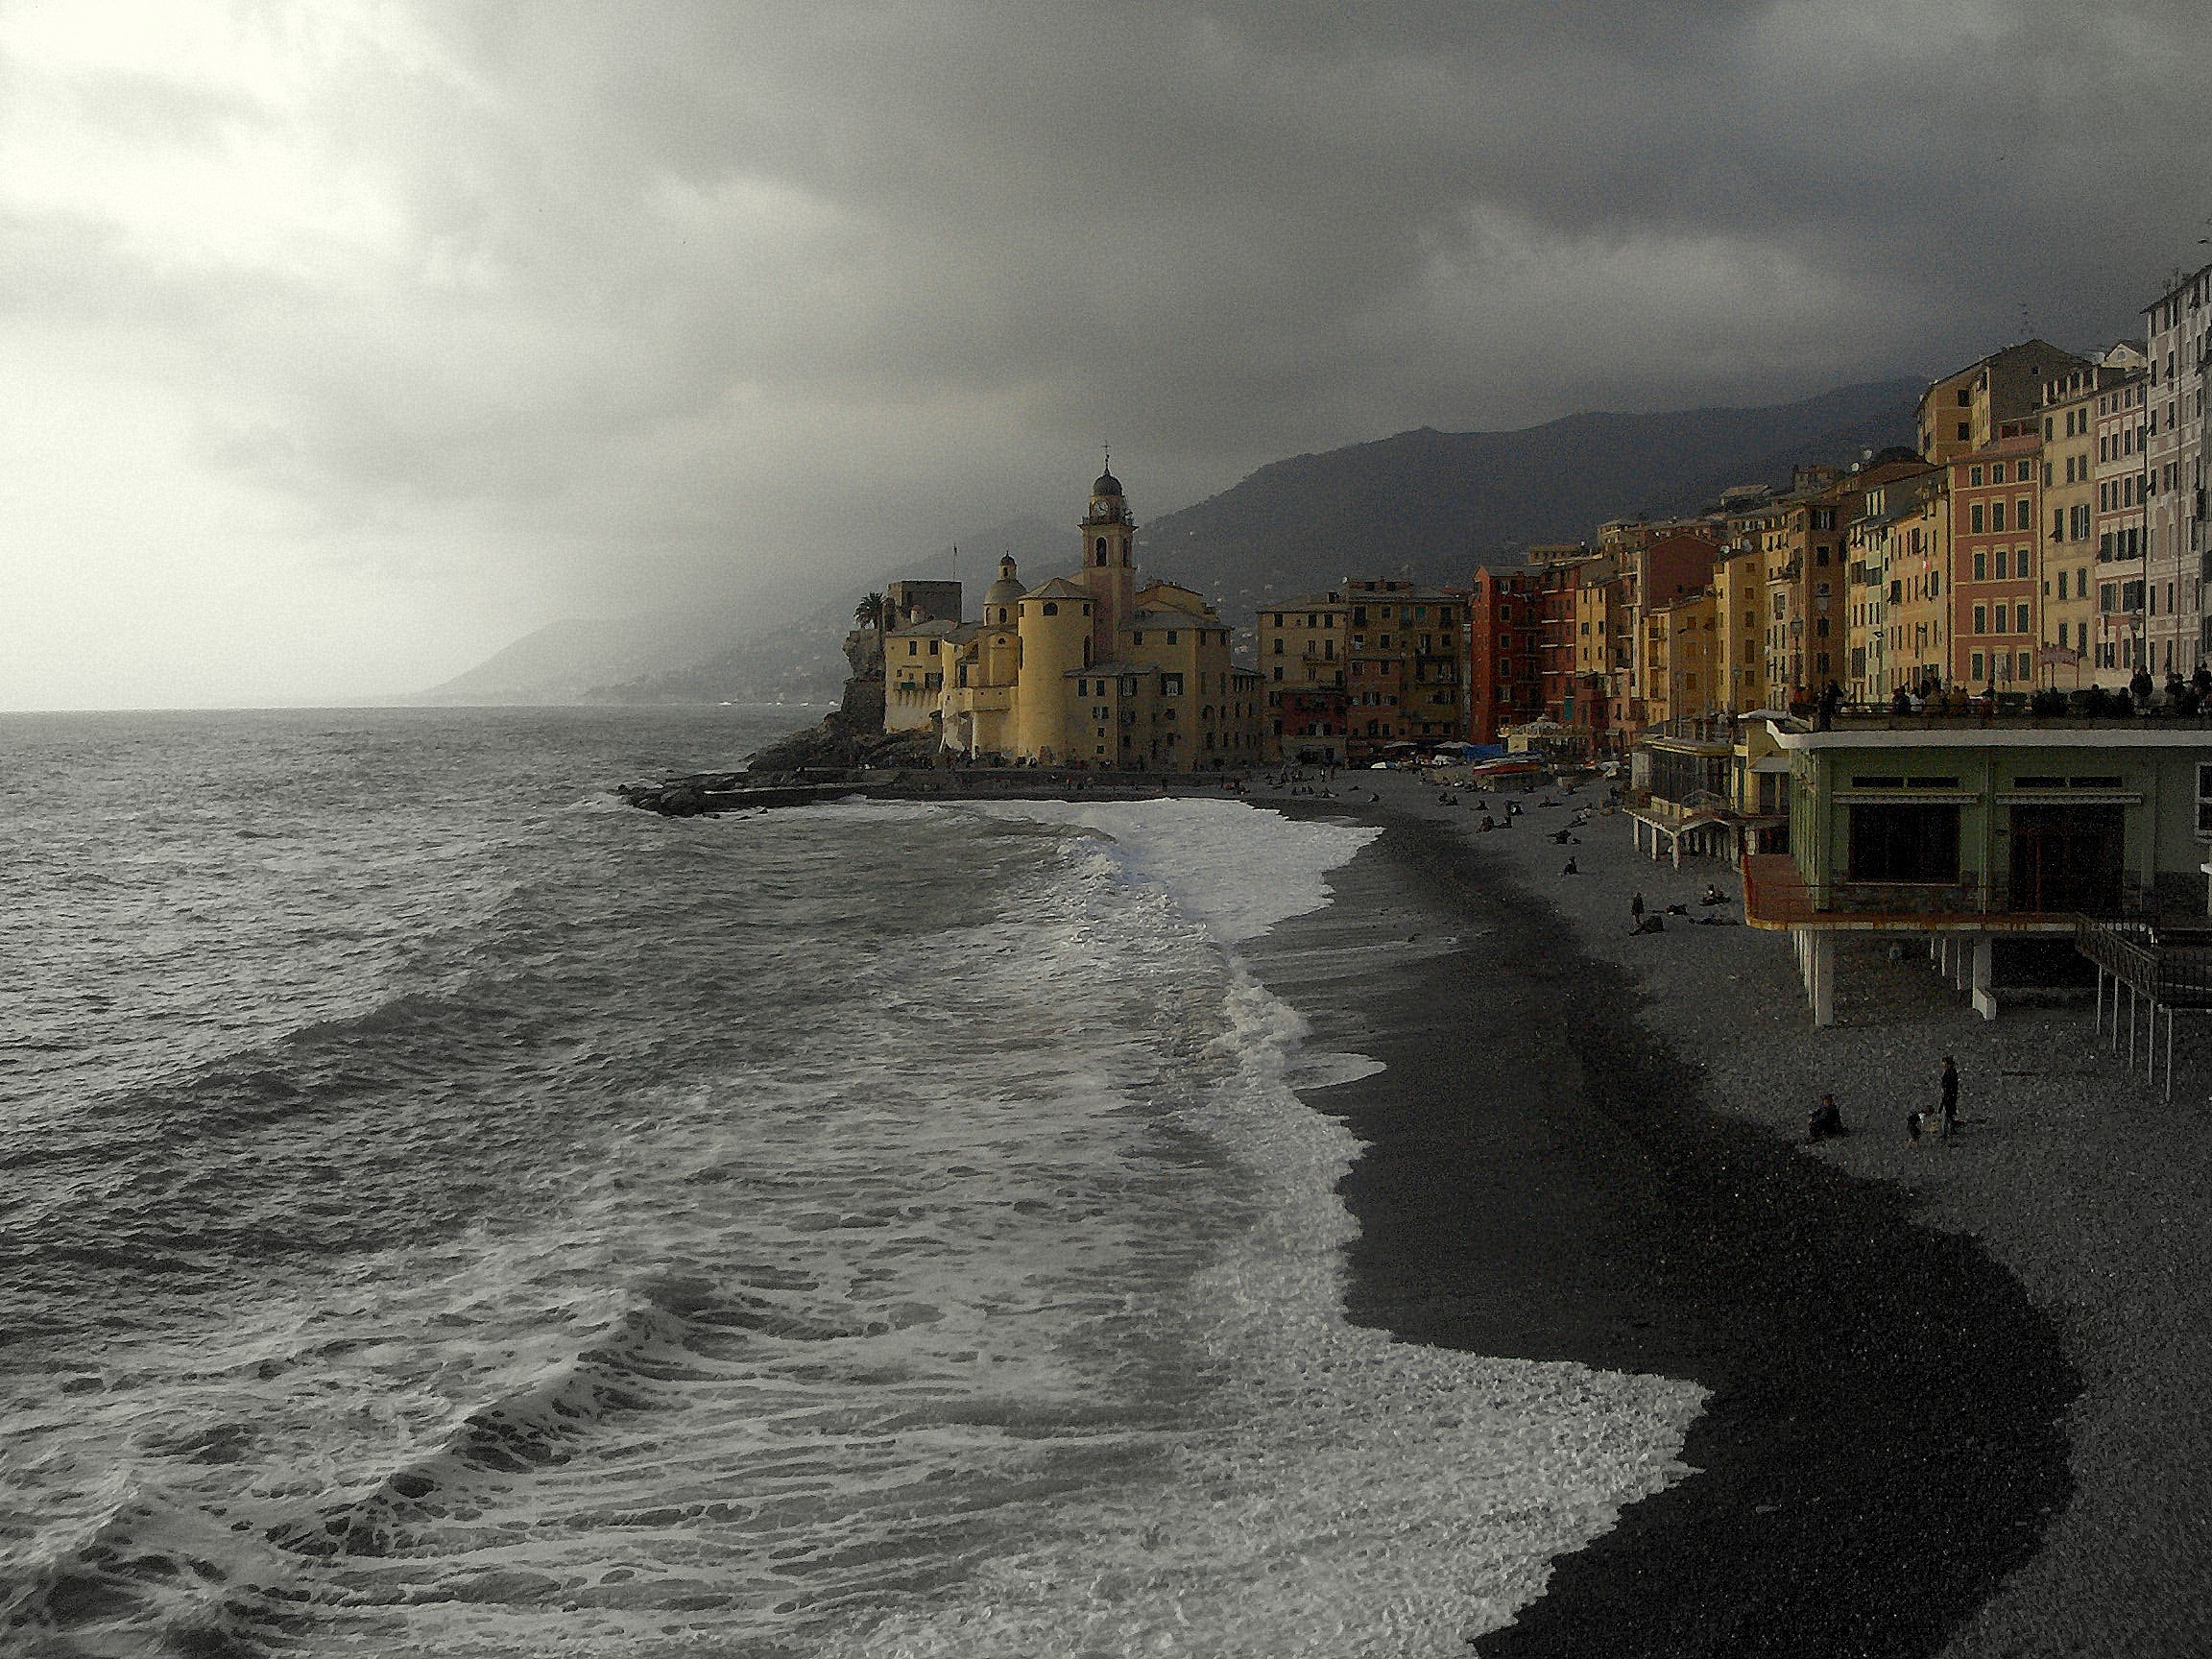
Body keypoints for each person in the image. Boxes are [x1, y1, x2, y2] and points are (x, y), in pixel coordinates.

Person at [1939, 1056, 1959, 1141]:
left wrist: (1944, 1089)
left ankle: (1944, 1133)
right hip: (1950, 1096)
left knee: (1945, 1114)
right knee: (1949, 1114)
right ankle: (1952, 1129)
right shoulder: (1951, 1072)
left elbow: (1949, 1085)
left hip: (1948, 1097)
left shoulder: (1950, 1073)